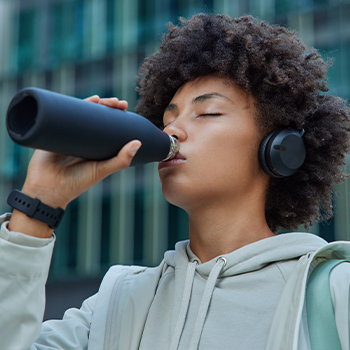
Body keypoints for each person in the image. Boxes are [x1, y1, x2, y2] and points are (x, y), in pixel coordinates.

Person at [1, 13, 350, 350]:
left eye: (208, 112)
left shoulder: (333, 291)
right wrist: (38, 204)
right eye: (168, 117)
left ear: (279, 148)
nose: (171, 131)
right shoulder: (116, 304)